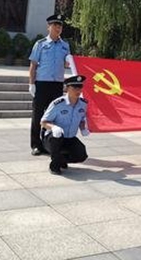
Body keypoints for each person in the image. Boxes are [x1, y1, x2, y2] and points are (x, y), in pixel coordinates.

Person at [28, 14, 77, 155]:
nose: (58, 28)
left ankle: (50, 144)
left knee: (54, 116)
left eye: (60, 25)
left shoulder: (65, 46)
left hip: (57, 85)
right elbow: (33, 65)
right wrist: (32, 84)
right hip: (42, 84)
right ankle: (36, 145)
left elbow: (68, 64)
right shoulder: (41, 44)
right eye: (55, 25)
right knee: (38, 116)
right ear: (48, 27)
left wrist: (73, 63)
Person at [40, 74, 89, 174]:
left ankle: (60, 159)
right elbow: (43, 122)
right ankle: (54, 165)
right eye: (74, 87)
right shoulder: (58, 104)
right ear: (67, 88)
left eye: (80, 87)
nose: (78, 90)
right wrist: (53, 127)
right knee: (57, 137)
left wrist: (83, 128)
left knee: (81, 155)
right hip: (52, 138)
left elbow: (82, 119)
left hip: (69, 137)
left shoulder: (83, 104)